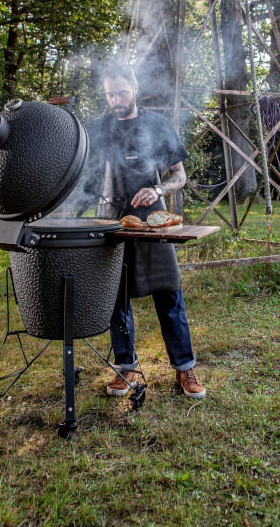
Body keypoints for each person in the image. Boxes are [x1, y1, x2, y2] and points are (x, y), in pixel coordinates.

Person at [88, 61, 206, 400]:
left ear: (135, 88)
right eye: (110, 94)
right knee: (116, 298)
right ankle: (126, 368)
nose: (116, 100)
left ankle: (185, 369)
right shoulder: (100, 129)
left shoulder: (157, 125)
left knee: (169, 293)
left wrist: (158, 191)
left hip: (152, 221)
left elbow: (179, 176)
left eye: (122, 93)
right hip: (110, 220)